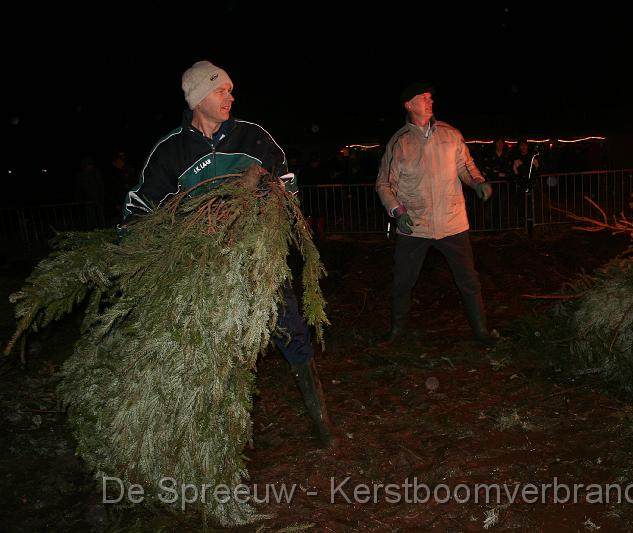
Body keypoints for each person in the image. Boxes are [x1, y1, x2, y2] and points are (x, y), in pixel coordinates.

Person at [121, 60, 336, 448]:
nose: (230, 97)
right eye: (221, 90)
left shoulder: (253, 138)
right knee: (217, 346)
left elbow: (287, 184)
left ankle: (321, 422)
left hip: (258, 261)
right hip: (205, 269)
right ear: (198, 97)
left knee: (291, 330)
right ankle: (221, 435)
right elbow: (140, 208)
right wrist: (137, 247)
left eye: (230, 90)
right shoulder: (170, 152)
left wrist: (271, 199)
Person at [375, 82, 496, 345]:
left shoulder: (450, 134)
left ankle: (482, 332)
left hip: (452, 223)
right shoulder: (399, 143)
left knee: (469, 281)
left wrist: (477, 182)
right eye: (424, 98)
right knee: (402, 282)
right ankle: (396, 331)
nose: (430, 102)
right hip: (414, 225)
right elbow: (384, 184)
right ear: (409, 105)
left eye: (431, 98)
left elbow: (466, 166)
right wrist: (397, 211)